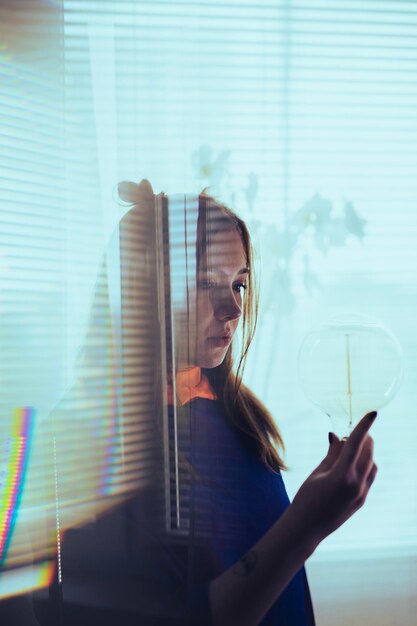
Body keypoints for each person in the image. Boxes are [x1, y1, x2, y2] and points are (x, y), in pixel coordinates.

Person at [114, 182, 378, 626]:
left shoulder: (237, 413)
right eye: (206, 282)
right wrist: (307, 522)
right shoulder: (120, 447)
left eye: (239, 283)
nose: (234, 309)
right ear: (145, 292)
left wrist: (313, 504)